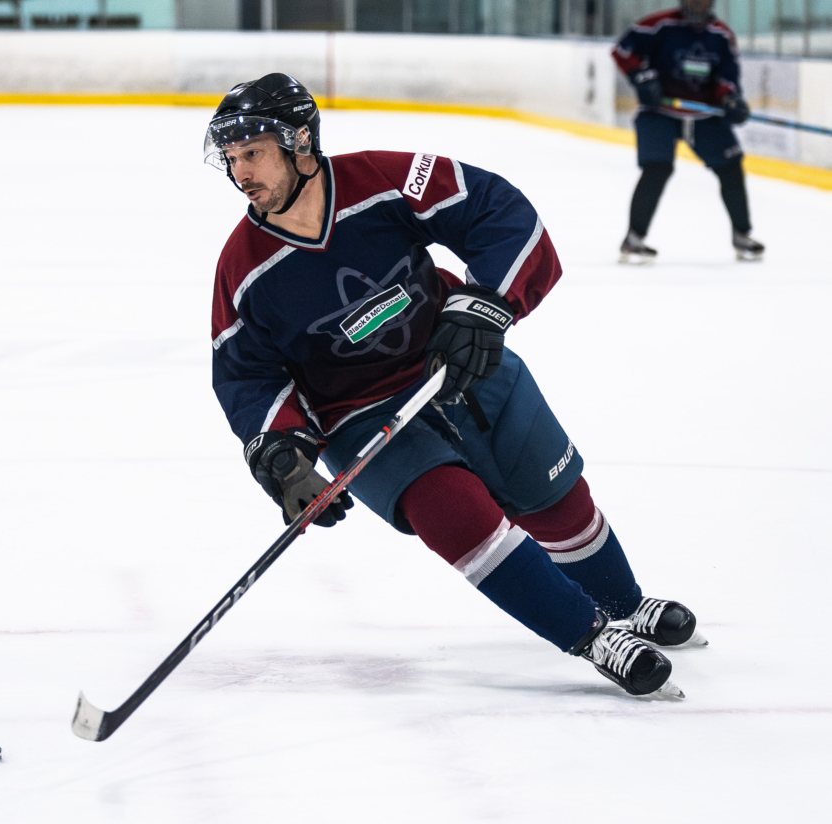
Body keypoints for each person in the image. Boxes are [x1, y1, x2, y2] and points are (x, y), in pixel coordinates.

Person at [206, 73, 705, 700]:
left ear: (300, 142)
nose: (239, 170)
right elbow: (247, 373)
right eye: (229, 157)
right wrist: (280, 454)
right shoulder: (243, 269)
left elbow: (498, 209)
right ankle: (592, 634)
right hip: (357, 415)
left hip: (458, 363)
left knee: (553, 498)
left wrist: (483, 307)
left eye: (252, 152)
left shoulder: (388, 179)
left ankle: (624, 605)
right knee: (454, 514)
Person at [612, 0, 765, 263]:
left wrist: (729, 100)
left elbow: (726, 77)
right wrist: (642, 77)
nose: (696, 4)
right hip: (659, 112)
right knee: (657, 168)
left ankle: (742, 235)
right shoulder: (659, 25)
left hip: (704, 115)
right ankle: (634, 239)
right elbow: (623, 51)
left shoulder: (721, 35)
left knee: (731, 168)